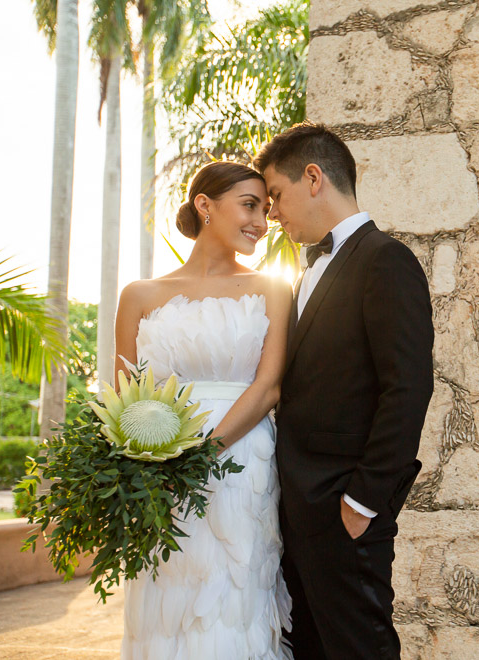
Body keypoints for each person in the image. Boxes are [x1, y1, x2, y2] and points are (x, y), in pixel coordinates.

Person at [256, 122, 434, 659]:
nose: (272, 214)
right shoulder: (302, 273)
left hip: (343, 513)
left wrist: (362, 502)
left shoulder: (386, 260)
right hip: (296, 513)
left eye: (277, 196)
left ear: (314, 178)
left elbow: (407, 389)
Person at [113, 161, 294, 659]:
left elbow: (269, 386)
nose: (262, 221)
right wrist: (155, 466)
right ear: (205, 205)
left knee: (234, 599)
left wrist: (201, 453)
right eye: (250, 205)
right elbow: (124, 397)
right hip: (160, 472)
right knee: (166, 604)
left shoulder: (273, 288)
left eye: (266, 209)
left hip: (242, 465)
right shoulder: (139, 295)